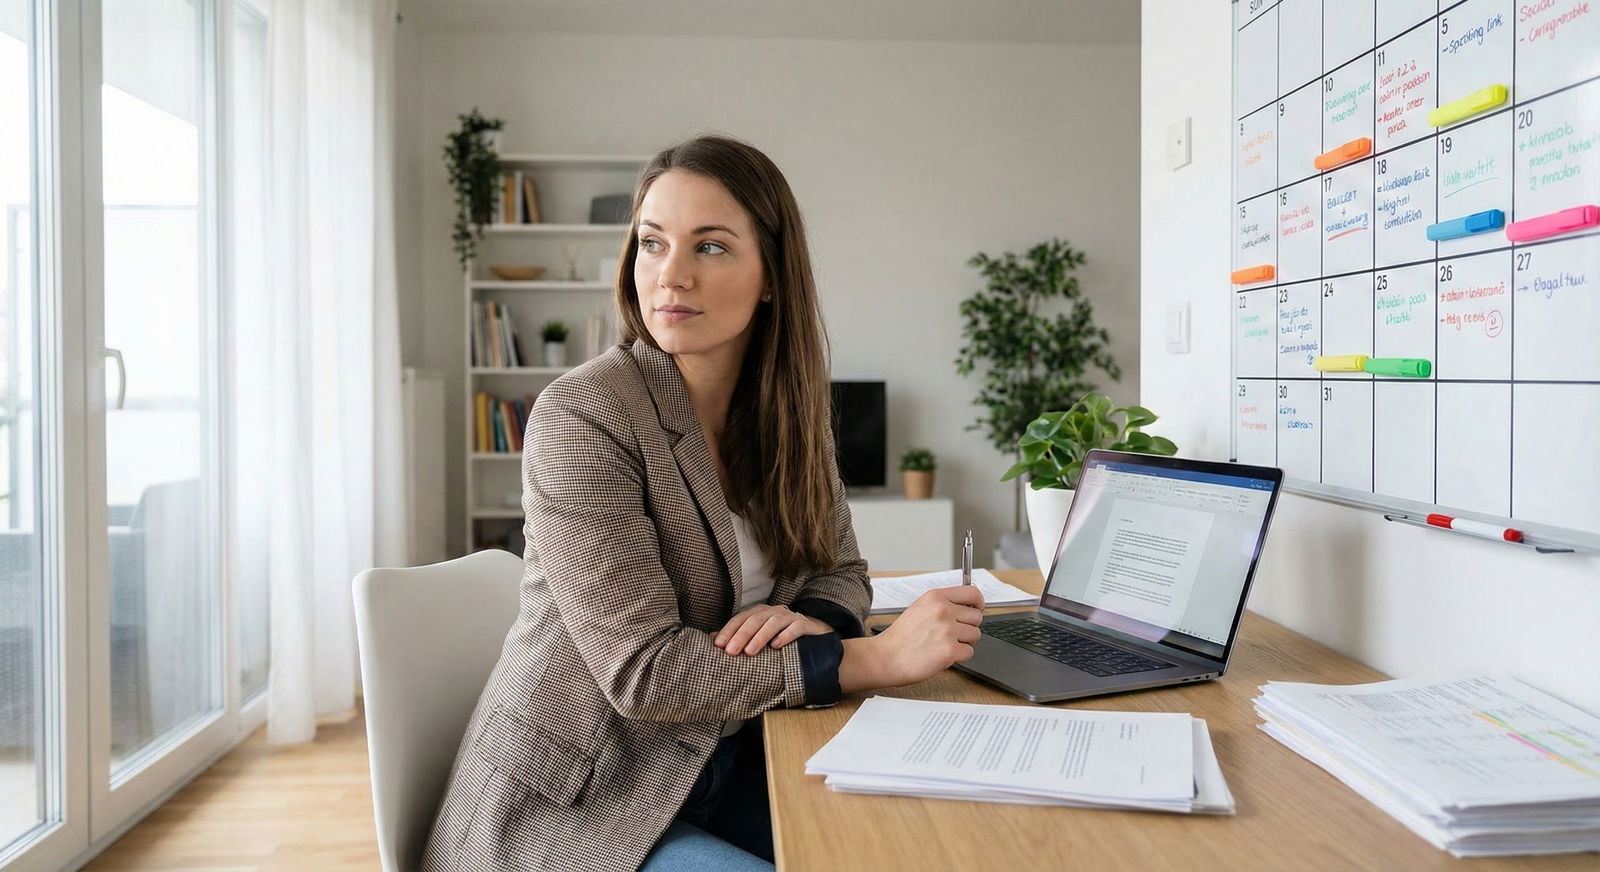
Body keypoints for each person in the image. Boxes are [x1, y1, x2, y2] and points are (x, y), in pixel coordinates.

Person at [420, 135, 985, 872]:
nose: (671, 275)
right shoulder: (583, 416)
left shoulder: (788, 414)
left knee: (924, 845)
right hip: (587, 804)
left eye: (711, 248)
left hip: (737, 754)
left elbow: (841, 569)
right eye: (652, 244)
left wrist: (813, 618)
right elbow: (644, 673)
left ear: (771, 276)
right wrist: (867, 658)